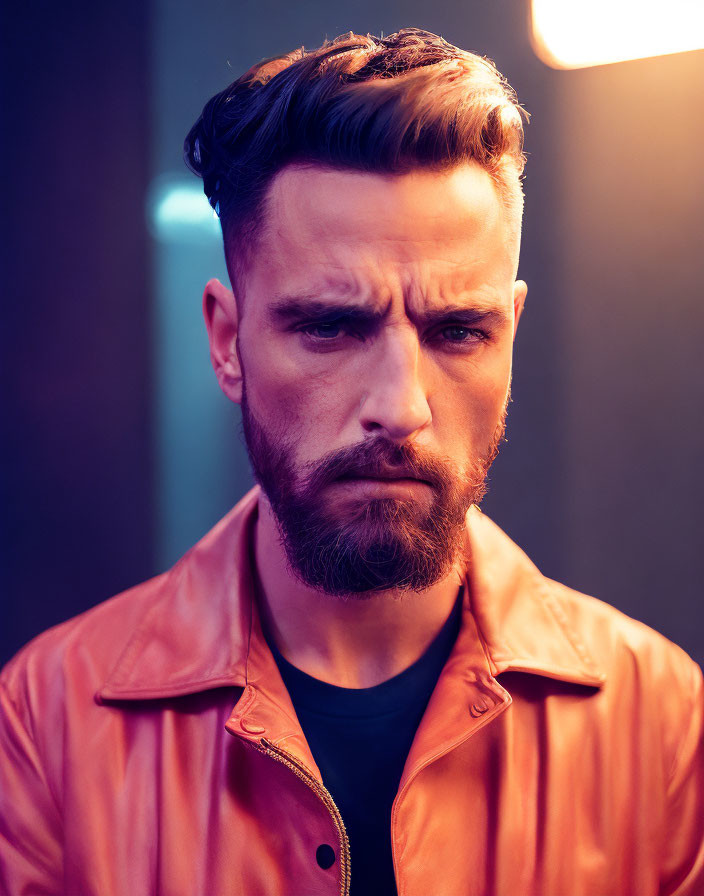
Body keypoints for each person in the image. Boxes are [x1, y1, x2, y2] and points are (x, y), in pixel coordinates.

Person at [0, 27, 702, 896]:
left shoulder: (662, 722)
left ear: (510, 337)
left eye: (458, 332)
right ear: (227, 341)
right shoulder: (45, 727)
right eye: (331, 326)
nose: (401, 408)